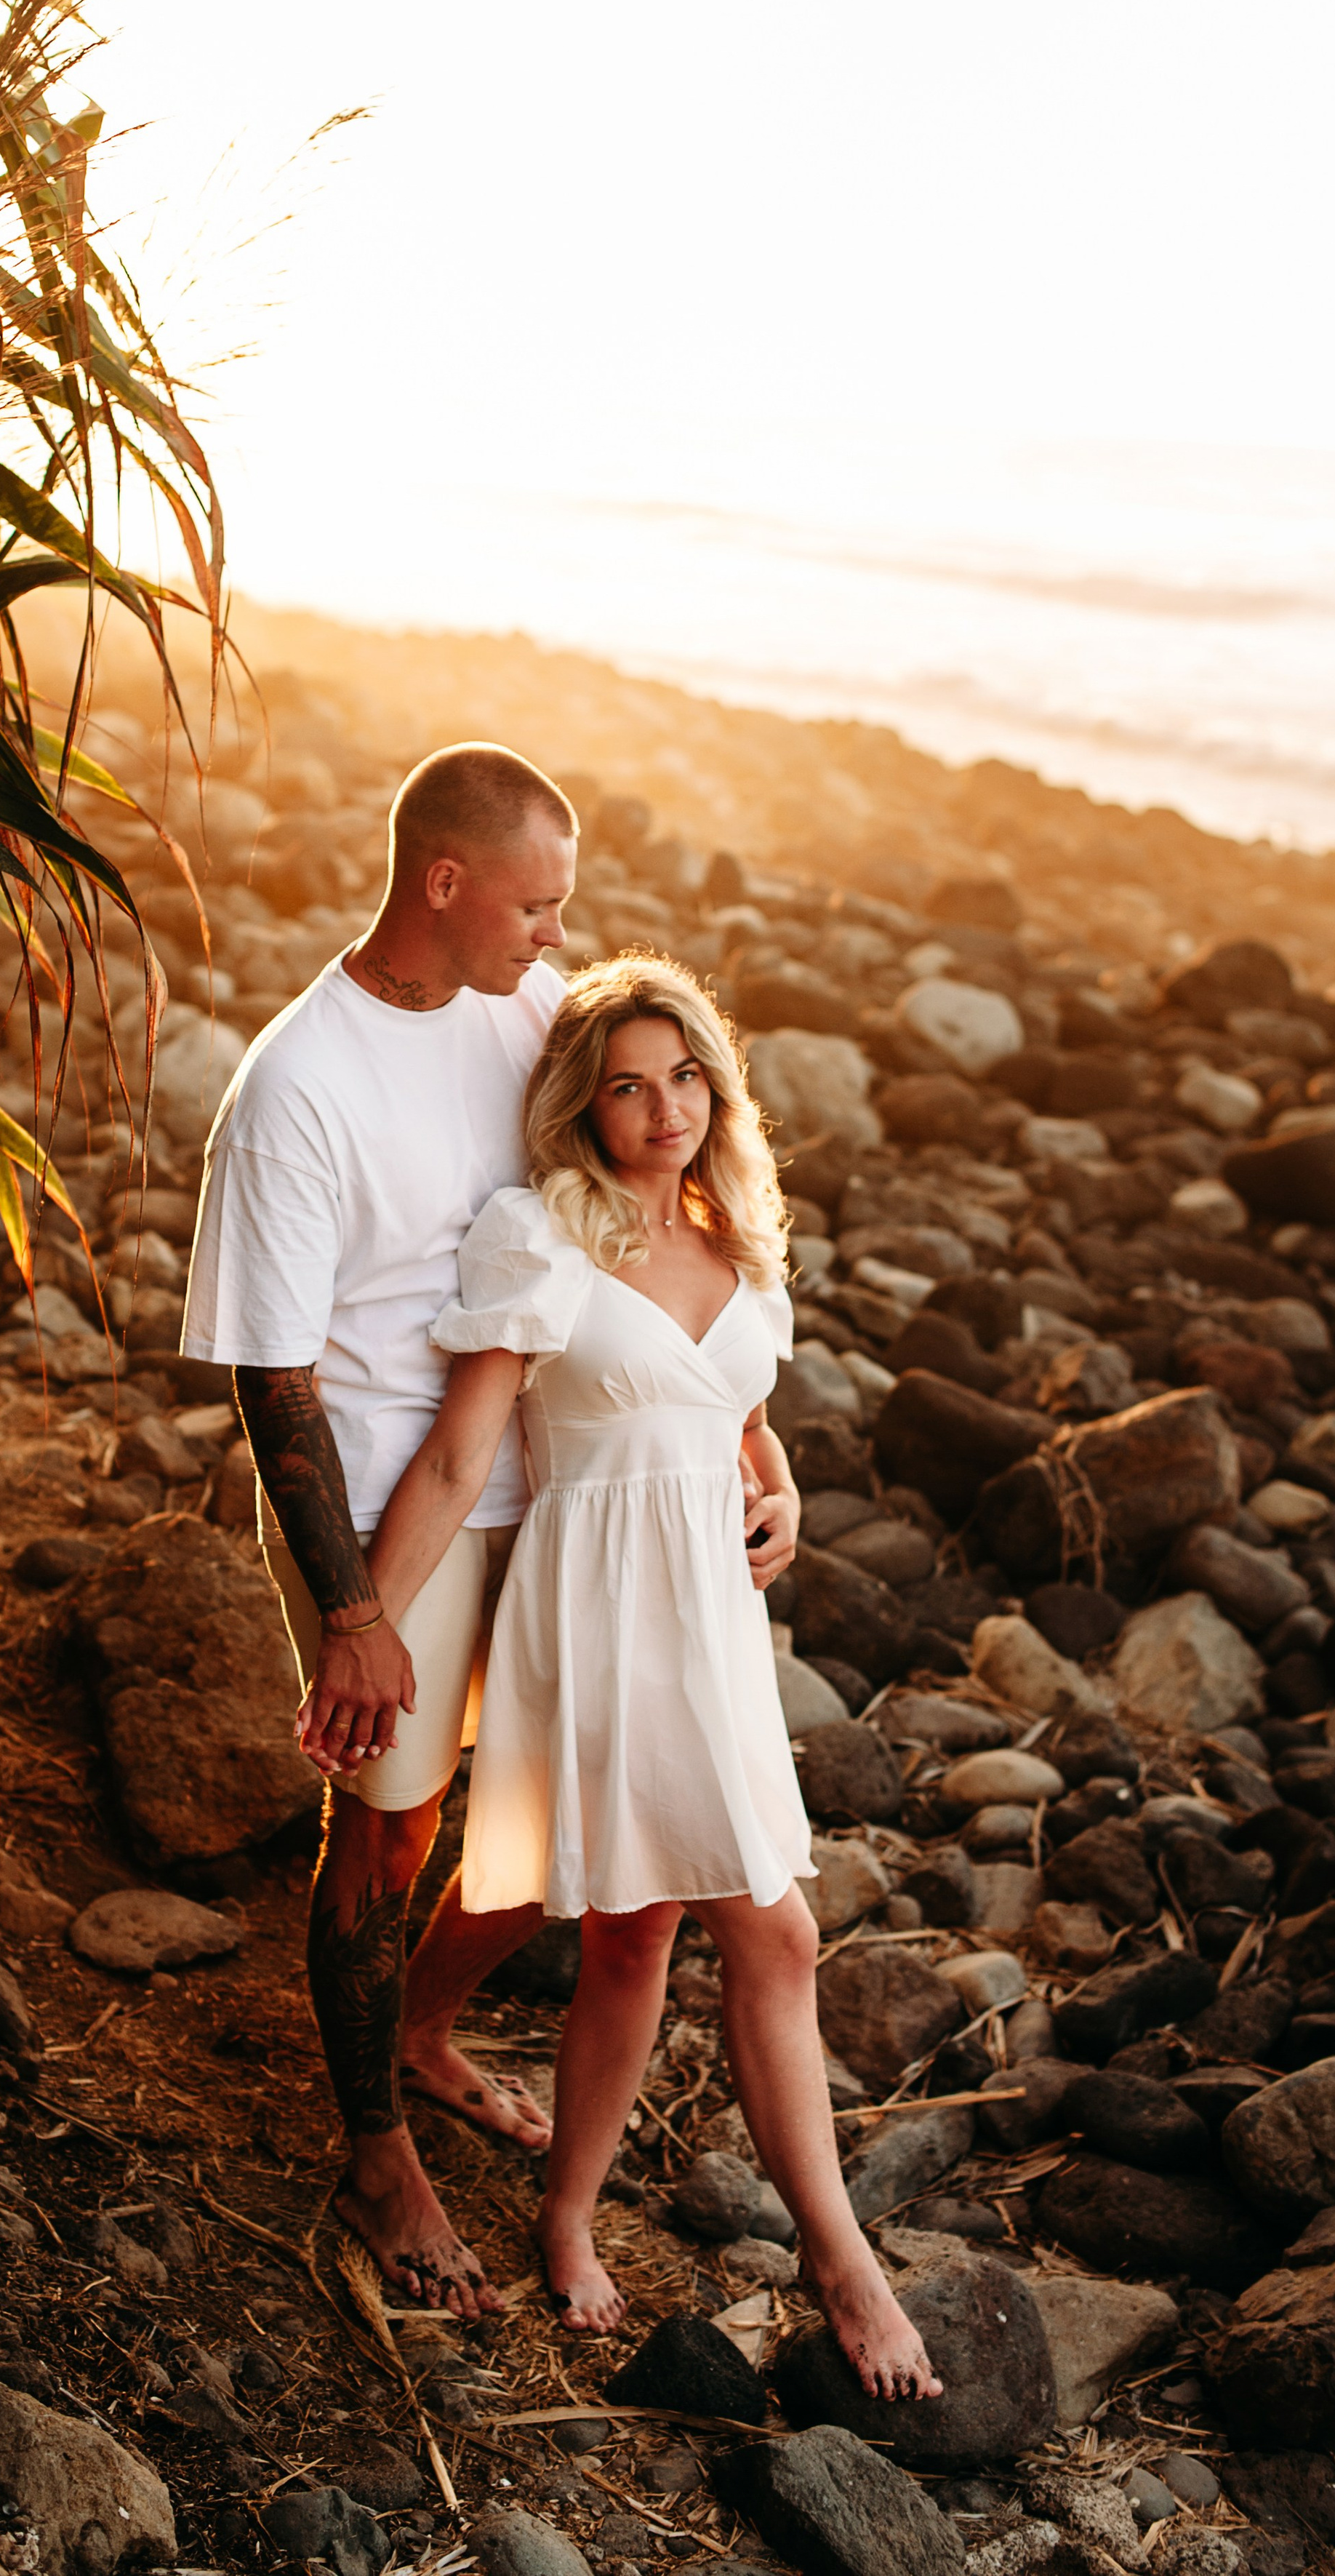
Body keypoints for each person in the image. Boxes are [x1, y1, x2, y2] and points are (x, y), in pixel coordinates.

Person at [359, 954, 940, 2399]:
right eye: (624, 1082)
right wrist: (358, 1620)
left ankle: (532, 2160)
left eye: (683, 1075)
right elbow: (456, 1450)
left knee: (636, 1925)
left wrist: (782, 1486)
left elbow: (732, 1407)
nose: (659, 1106)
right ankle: (818, 2254)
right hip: (600, 1606)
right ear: (585, 1104)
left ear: (715, 1089)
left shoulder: (735, 1235)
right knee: (713, 1933)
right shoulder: (541, 1236)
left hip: (714, 1623)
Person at [182, 742, 596, 2317]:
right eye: (533, 903)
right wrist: (348, 1608)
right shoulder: (300, 1085)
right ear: (444, 882)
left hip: (533, 1474)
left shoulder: (524, 1011)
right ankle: (371, 2147)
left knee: (546, 1831)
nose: (552, 933)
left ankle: (421, 2029)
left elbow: (638, 1160)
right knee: (393, 1828)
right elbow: (264, 1371)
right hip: (373, 1506)